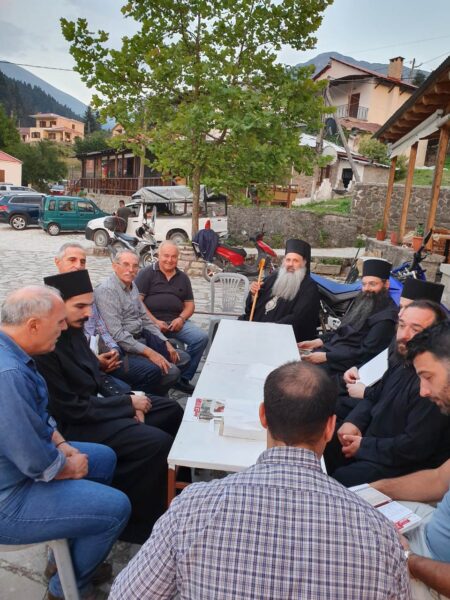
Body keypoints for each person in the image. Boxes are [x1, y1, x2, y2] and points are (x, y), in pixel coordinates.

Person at [109, 362, 410, 600]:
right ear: (330, 427)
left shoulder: (192, 507)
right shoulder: (378, 534)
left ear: (263, 416)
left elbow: (128, 595)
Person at [0, 285, 131, 600]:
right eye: (59, 322)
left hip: (19, 470)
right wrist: (66, 466)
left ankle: (69, 558)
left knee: (103, 458)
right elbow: (33, 460)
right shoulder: (9, 375)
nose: (64, 328)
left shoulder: (15, 352)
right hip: (8, 499)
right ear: (33, 325)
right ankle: (63, 590)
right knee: (116, 508)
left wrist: (61, 444)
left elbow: (39, 415)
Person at [35, 270, 184, 544]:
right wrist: (126, 405)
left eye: (90, 305)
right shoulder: (47, 346)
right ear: (57, 308)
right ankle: (139, 523)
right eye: (80, 306)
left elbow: (95, 376)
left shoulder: (75, 332)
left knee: (171, 411)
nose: (89, 313)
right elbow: (72, 409)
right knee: (156, 443)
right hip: (77, 424)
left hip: (98, 407)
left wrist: (130, 399)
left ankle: (174, 490)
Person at [325, 301, 450, 486]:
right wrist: (354, 421)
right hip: (368, 440)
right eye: (402, 325)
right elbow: (375, 395)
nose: (404, 335)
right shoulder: (401, 361)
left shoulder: (435, 390)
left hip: (396, 463)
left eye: (415, 329)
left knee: (341, 480)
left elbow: (413, 448)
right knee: (320, 438)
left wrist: (363, 446)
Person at [371, 321, 450, 600]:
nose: (423, 391)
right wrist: (375, 490)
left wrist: (407, 558)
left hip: (432, 576)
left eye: (428, 377)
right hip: (428, 532)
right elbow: (439, 479)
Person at [337, 278, 446, 420]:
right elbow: (383, 365)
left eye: (409, 308)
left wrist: (366, 393)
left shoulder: (429, 376)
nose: (400, 314)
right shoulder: (401, 338)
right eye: (401, 307)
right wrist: (358, 369)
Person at [94, 249, 192, 395]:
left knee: (182, 358)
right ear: (115, 266)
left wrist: (164, 341)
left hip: (142, 338)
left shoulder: (132, 286)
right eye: (126, 264)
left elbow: (145, 319)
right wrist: (150, 353)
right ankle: (150, 397)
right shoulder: (107, 291)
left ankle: (156, 391)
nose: (131, 270)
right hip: (124, 349)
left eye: (135, 266)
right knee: (171, 372)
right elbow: (117, 334)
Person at [300, 258, 398, 375]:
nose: (367, 289)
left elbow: (365, 353)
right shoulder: (363, 302)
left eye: (372, 284)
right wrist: (318, 341)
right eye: (364, 284)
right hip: (331, 351)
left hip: (346, 366)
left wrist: (326, 357)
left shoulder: (387, 317)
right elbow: (342, 330)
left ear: (386, 285)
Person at [55, 242, 130, 394]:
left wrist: (114, 349)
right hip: (82, 367)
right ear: (58, 262)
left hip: (99, 354)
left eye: (82, 261)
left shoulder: (86, 289)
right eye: (72, 260)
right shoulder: (50, 299)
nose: (78, 266)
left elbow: (100, 325)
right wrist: (94, 361)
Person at [135, 240, 208, 391]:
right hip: (151, 323)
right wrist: (154, 321)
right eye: (166, 256)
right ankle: (164, 376)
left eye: (174, 256)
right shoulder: (146, 273)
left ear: (178, 258)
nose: (169, 260)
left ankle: (182, 378)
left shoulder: (183, 278)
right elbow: (137, 301)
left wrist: (181, 318)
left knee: (201, 338)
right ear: (158, 255)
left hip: (176, 322)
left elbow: (190, 305)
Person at [240, 238, 320, 342]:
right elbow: (251, 308)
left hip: (281, 337)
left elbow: (298, 318)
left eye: (295, 261)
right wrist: (253, 295)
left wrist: (267, 330)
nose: (290, 264)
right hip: (256, 329)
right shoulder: (272, 278)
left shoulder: (309, 288)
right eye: (288, 260)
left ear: (304, 263)